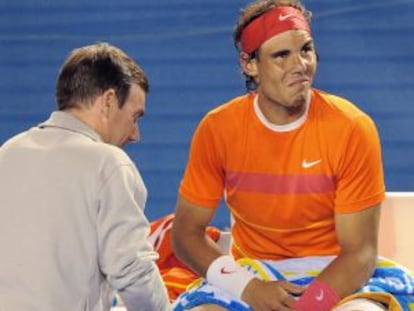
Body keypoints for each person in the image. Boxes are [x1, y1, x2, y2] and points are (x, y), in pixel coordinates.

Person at [170, 1, 414, 310]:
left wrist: (308, 306)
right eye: (281, 55)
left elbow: (359, 253)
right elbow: (186, 233)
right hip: (254, 274)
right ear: (250, 65)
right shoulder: (217, 129)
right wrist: (249, 289)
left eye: (306, 50)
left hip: (337, 276)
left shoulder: (353, 127)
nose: (299, 65)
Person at [0, 42, 170, 311]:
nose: (135, 134)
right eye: (135, 117)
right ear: (109, 101)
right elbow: (132, 272)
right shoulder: (109, 164)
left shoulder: (7, 152)